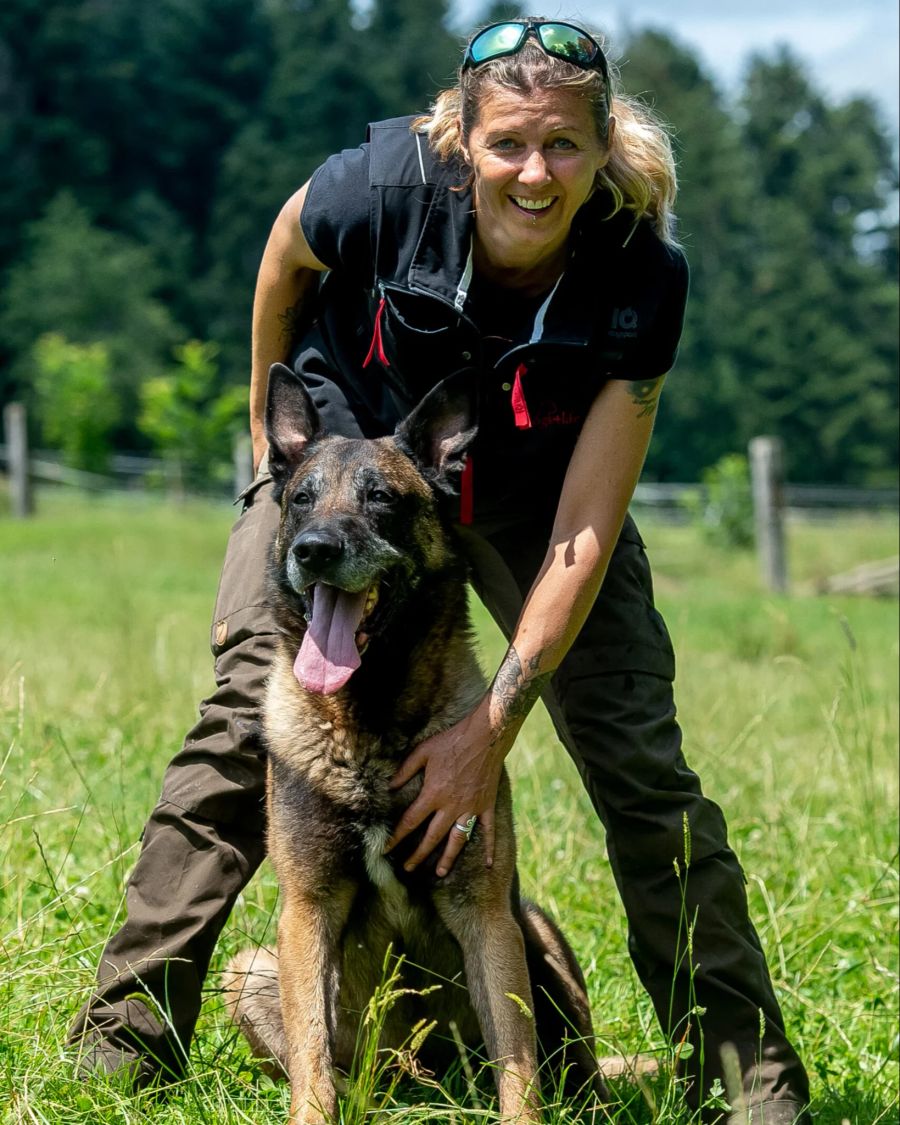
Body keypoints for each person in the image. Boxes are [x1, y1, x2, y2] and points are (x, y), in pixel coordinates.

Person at [71, 18, 811, 1124]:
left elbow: (584, 533)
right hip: (342, 467)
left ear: (602, 148)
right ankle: (118, 1057)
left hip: (532, 489)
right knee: (241, 717)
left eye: (564, 146)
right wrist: (270, 448)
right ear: (464, 141)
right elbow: (283, 262)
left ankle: (749, 1084)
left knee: (638, 758)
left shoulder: (640, 277)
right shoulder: (371, 189)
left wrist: (488, 731)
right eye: (509, 143)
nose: (534, 171)